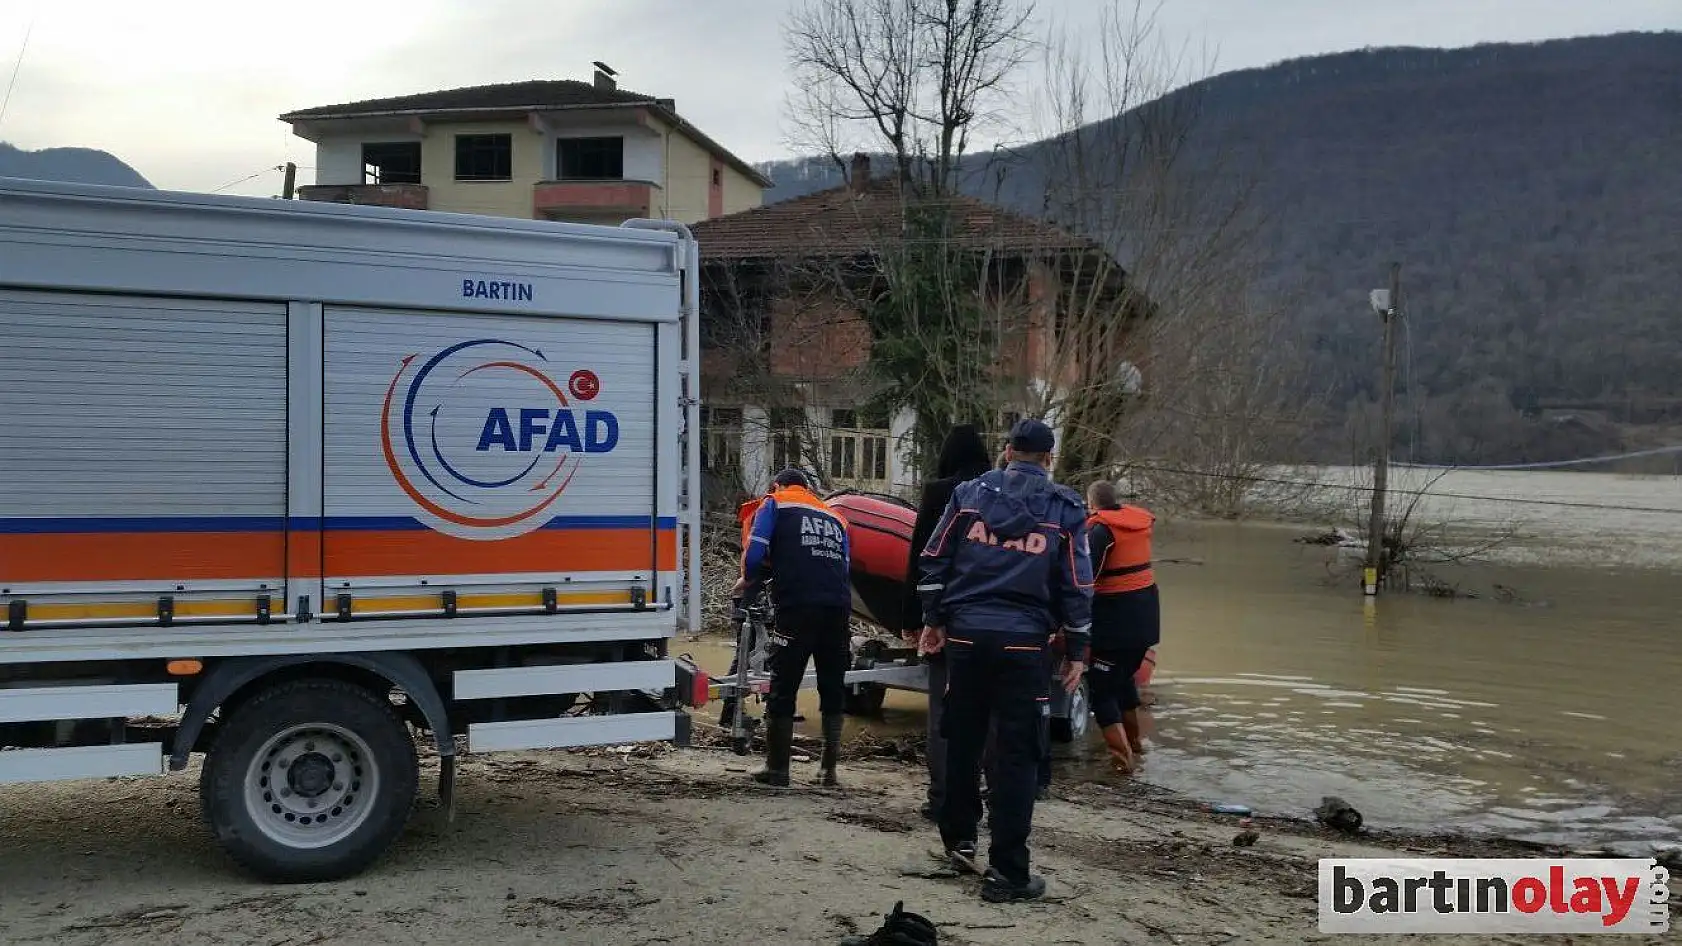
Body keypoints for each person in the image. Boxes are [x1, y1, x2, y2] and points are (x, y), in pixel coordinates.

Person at [917, 419, 1094, 903]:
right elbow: (1077, 583)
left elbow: (934, 559)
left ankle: (959, 840)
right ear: (1049, 459)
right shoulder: (1065, 507)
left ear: (1008, 451)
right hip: (1024, 644)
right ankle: (1009, 872)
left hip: (967, 637)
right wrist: (1078, 651)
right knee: (1017, 754)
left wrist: (934, 618)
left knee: (963, 739)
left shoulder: (968, 495)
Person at [732, 469, 853, 788]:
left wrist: (748, 579)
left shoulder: (774, 503)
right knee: (832, 685)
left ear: (777, 485)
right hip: (838, 607)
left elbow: (756, 551)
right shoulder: (835, 516)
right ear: (808, 488)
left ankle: (777, 770)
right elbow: (845, 566)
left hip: (798, 604)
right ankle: (828, 772)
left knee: (784, 683)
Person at [901, 425, 994, 823]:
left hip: (948, 618)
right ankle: (989, 795)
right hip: (997, 621)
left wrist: (913, 618)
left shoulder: (940, 492)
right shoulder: (1000, 492)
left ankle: (942, 799)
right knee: (990, 712)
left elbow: (920, 558)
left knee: (943, 709)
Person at [1083, 480, 1161, 774]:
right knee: (1125, 678)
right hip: (1146, 621)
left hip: (1116, 623)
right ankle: (1136, 747)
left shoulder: (1101, 531)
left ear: (1091, 504)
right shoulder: (1136, 524)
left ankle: (1122, 762)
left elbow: (1084, 579)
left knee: (1101, 691)